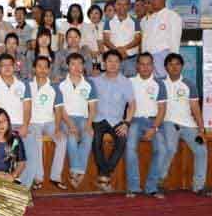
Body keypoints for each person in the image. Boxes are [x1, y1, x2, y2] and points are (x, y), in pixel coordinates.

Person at [159, 53, 212, 197]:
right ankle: (158, 182)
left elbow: (195, 108)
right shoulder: (159, 83)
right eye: (171, 64)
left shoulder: (189, 84)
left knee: (201, 150)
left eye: (177, 64)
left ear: (182, 66)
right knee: (170, 149)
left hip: (189, 125)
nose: (174, 67)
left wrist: (201, 130)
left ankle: (199, 186)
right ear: (166, 67)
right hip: (168, 122)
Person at [91, 50, 136, 192]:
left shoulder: (125, 82)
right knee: (95, 139)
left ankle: (104, 175)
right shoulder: (95, 81)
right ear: (104, 63)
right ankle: (105, 177)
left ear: (120, 64)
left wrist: (126, 123)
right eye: (109, 61)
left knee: (122, 139)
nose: (112, 64)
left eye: (116, 61)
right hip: (98, 118)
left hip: (116, 120)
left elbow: (132, 105)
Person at [126, 52, 167, 198]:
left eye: (148, 64)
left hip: (154, 121)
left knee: (162, 150)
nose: (145, 67)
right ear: (137, 66)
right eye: (142, 64)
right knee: (130, 148)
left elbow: (162, 110)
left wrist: (154, 128)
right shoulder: (129, 82)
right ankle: (133, 187)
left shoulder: (159, 84)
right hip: (135, 120)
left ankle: (151, 187)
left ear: (153, 66)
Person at [20, 56, 64, 190]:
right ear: (34, 68)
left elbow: (59, 109)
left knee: (62, 140)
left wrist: (57, 127)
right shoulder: (26, 85)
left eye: (45, 67)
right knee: (36, 140)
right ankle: (38, 177)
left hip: (50, 121)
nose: (42, 70)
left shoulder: (54, 87)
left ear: (49, 70)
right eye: (39, 66)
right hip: (33, 122)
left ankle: (55, 176)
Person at [58, 53, 98, 189]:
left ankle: (76, 171)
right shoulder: (61, 84)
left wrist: (89, 124)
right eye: (73, 64)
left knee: (88, 135)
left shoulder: (89, 84)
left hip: (83, 118)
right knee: (71, 136)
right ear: (67, 66)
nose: (76, 67)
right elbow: (60, 108)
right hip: (65, 118)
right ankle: (78, 171)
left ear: (83, 66)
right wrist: (70, 124)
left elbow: (93, 108)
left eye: (80, 64)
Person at [141, 0, 183, 78]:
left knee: (164, 82)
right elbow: (145, 40)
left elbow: (175, 40)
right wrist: (143, 57)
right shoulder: (149, 18)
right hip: (148, 59)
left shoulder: (172, 16)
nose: (151, 1)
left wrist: (172, 61)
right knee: (151, 83)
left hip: (164, 56)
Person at [0, 54, 31, 139]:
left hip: (21, 124)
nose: (7, 68)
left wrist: (25, 126)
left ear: (14, 67)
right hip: (2, 126)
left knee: (31, 145)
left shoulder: (23, 85)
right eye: (3, 65)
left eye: (10, 65)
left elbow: (27, 108)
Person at [103, 0, 142, 77]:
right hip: (114, 60)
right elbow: (106, 40)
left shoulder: (135, 21)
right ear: (115, 6)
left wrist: (124, 48)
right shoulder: (108, 21)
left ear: (129, 6)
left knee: (131, 83)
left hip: (131, 59)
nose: (122, 7)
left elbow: (137, 39)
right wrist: (117, 51)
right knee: (114, 82)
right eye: (119, 4)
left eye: (125, 4)